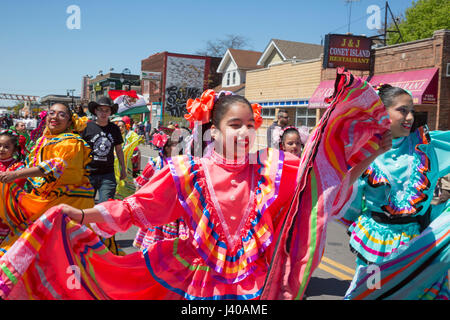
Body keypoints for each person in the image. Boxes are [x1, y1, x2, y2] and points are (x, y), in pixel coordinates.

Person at [0, 69, 391, 300]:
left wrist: (367, 152)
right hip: (196, 278)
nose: (244, 133)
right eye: (234, 125)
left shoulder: (276, 167)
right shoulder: (187, 173)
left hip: (254, 283)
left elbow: (321, 188)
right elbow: (134, 209)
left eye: (250, 126)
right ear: (214, 131)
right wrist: (81, 215)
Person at [340, 84, 450, 300]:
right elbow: (345, 192)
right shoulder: (364, 149)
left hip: (415, 241)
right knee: (373, 293)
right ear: (383, 113)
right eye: (402, 110)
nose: (409, 117)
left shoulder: (425, 145)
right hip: (377, 241)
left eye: (411, 110)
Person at [0, 103, 94, 257]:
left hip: (69, 203)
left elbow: (55, 166)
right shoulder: (45, 140)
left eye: (61, 114)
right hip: (47, 199)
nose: (55, 117)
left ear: (70, 122)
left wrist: (16, 174)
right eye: (52, 112)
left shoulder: (72, 143)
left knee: (64, 250)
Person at [133, 128, 188, 251]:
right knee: (154, 246)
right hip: (157, 210)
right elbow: (141, 184)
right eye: (174, 145)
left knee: (173, 247)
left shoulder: (183, 163)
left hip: (175, 210)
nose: (178, 147)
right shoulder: (155, 163)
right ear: (166, 148)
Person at [81, 96, 126, 204]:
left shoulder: (114, 129)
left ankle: (101, 221)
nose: (103, 113)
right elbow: (79, 149)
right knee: (86, 206)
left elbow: (119, 150)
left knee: (105, 206)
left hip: (108, 174)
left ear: (110, 112)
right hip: (88, 173)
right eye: (101, 110)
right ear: (95, 111)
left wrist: (123, 168)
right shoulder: (86, 127)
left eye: (107, 110)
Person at [114, 118, 144, 200]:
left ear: (125, 127)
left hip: (126, 163)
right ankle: (117, 197)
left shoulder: (129, 135)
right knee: (117, 180)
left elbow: (136, 138)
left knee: (126, 180)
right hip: (115, 163)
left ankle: (126, 198)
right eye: (119, 126)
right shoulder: (114, 136)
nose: (120, 128)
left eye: (122, 126)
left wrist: (140, 139)